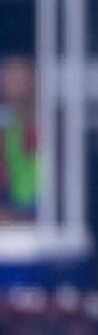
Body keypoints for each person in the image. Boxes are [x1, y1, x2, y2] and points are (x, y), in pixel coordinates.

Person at [0, 54, 38, 222]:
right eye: (7, 70)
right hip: (16, 216)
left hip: (44, 222)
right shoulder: (9, 129)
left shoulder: (56, 129)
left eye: (17, 70)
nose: (9, 78)